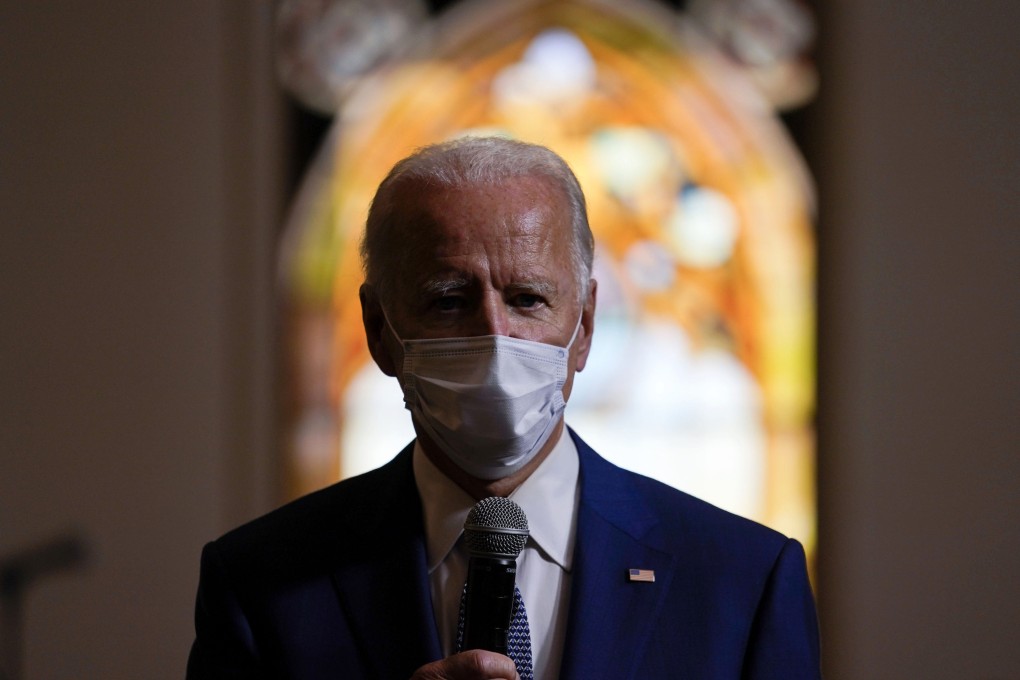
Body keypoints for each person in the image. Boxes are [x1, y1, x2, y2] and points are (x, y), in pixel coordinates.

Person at [186, 137, 821, 680]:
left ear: (587, 325)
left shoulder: (741, 581)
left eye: (527, 298)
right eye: (447, 299)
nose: (495, 338)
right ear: (378, 330)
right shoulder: (261, 584)